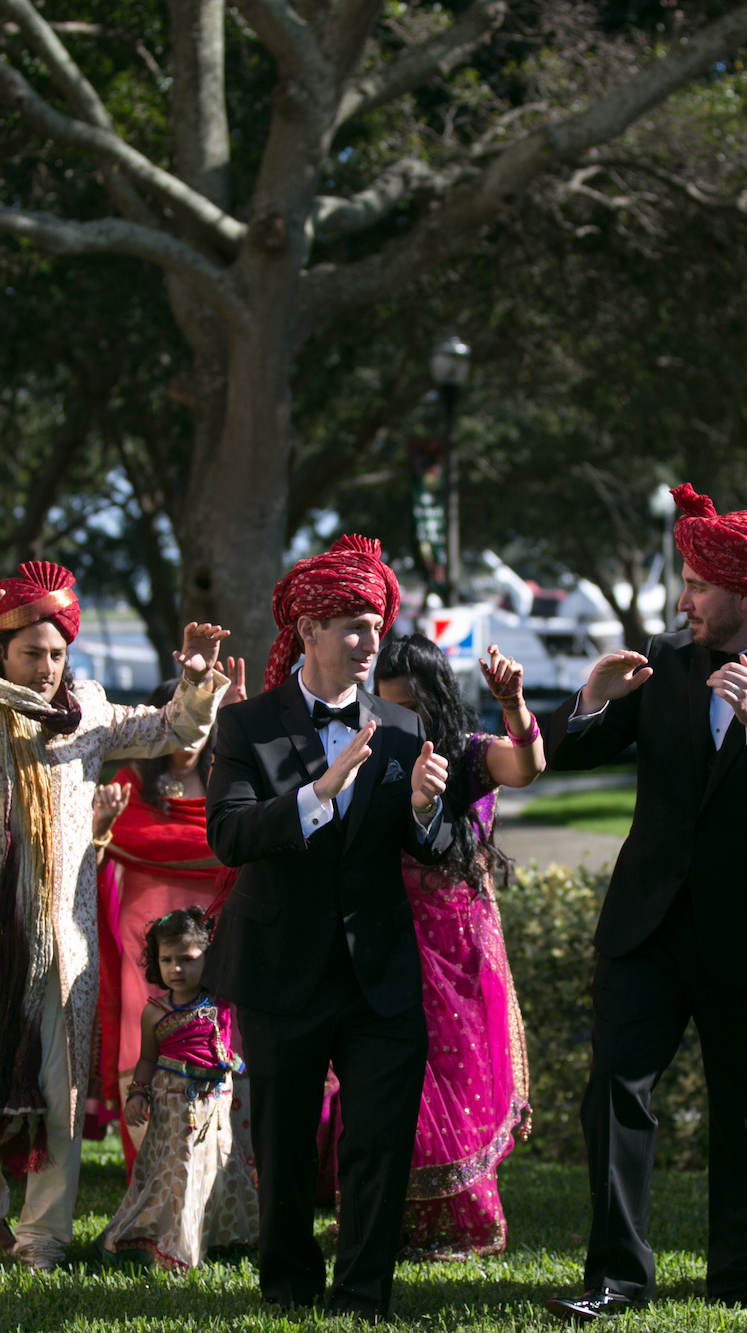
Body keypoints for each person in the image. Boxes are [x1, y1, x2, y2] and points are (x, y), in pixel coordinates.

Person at [537, 484, 747, 1322]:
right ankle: (616, 1275)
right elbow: (572, 750)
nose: (683, 599)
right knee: (615, 1088)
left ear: (744, 592)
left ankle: (738, 1272)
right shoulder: (664, 661)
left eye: (698, 585)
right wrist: (591, 696)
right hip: (648, 924)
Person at [0, 553, 229, 1270]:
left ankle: (42, 1239)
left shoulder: (90, 713)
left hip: (62, 949)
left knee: (62, 1094)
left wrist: (197, 682)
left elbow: (170, 730)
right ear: (1, 650)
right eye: (33, 652)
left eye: (57, 652)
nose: (47, 666)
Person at [202, 534, 452, 1322]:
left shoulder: (405, 729)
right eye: (350, 623)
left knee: (378, 1141)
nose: (367, 638)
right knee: (284, 1147)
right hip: (282, 965)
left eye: (374, 623)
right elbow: (230, 835)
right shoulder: (248, 727)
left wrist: (422, 806)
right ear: (306, 630)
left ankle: (363, 1297)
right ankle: (288, 1288)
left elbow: (437, 847)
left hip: (379, 973)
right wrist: (319, 791)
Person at [373, 635, 541, 1260]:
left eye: (412, 708)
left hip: (459, 937)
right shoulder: (374, 753)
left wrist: (516, 705)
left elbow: (525, 767)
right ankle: (402, 1218)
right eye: (388, 708)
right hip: (394, 929)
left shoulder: (469, 755)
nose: (402, 723)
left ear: (437, 699)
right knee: (404, 1076)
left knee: (460, 1067)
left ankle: (467, 1220)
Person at [95, 661, 250, 1169]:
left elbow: (254, 832)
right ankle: (150, 1172)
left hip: (215, 935)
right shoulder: (128, 786)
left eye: (201, 724)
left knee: (216, 1037)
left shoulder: (225, 783)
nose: (190, 737)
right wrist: (99, 827)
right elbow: (89, 859)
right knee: (146, 1036)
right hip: (145, 941)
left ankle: (219, 1168)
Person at [96, 907, 258, 1269]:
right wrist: (137, 1092)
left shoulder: (221, 1002)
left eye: (187, 959)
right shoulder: (155, 1012)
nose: (176, 969)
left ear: (209, 958)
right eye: (166, 960)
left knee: (221, 1164)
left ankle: (222, 1236)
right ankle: (175, 1248)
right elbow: (146, 1059)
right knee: (182, 1170)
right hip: (176, 1106)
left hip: (218, 1104)